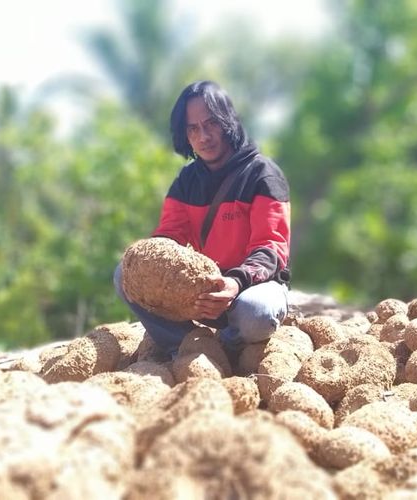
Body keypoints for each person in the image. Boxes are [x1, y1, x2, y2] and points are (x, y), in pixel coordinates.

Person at [114, 80, 291, 359]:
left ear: (228, 121)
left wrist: (233, 284)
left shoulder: (263, 175)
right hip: (203, 294)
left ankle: (230, 347)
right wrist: (152, 263)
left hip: (251, 289)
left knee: (256, 313)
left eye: (211, 124)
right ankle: (187, 346)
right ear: (185, 135)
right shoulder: (186, 180)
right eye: (193, 129)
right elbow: (169, 236)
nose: (203, 137)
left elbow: (271, 248)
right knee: (125, 274)